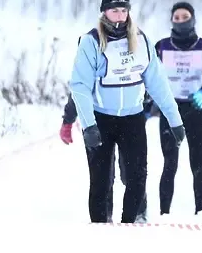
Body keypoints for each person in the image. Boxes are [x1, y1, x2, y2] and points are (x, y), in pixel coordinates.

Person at [69, 0, 186, 224]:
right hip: (101, 118)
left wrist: (175, 121)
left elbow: (158, 83)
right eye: (114, 10)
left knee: (136, 178)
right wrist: (88, 125)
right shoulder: (91, 42)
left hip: (133, 118)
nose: (120, 16)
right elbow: (80, 86)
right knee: (101, 180)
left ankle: (130, 224)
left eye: (124, 10)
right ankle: (101, 227)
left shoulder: (141, 41)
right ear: (104, 12)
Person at [154, 1, 202, 215]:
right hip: (170, 110)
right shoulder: (161, 46)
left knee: (197, 163)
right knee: (169, 164)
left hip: (196, 111)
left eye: (185, 17)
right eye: (176, 18)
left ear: (193, 19)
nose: (180, 21)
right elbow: (151, 77)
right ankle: (164, 214)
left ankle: (200, 213)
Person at [59, 93, 149, 222]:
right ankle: (105, 215)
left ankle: (138, 213)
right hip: (98, 119)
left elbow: (148, 81)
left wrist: (147, 108)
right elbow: (79, 86)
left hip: (129, 116)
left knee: (131, 171)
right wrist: (68, 120)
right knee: (103, 175)